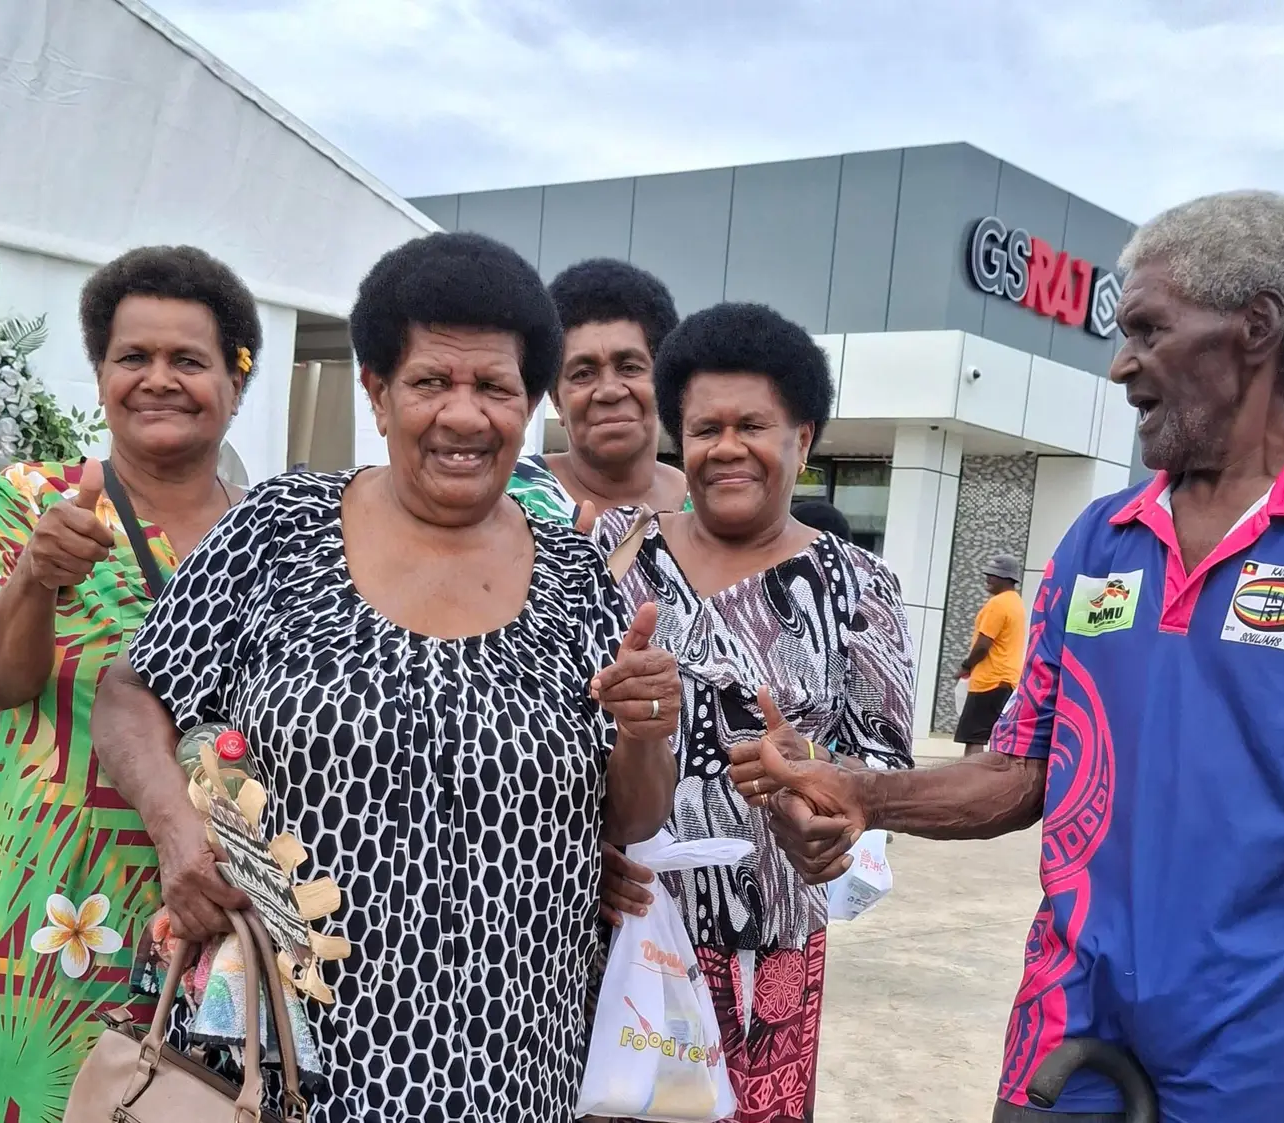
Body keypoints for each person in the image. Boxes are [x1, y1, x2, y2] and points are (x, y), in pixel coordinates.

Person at [743, 192, 1284, 1123]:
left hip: (1270, 1053)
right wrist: (861, 790)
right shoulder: (1102, 538)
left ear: (1255, 326)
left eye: (1147, 328)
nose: (1121, 363)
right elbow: (1022, 774)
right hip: (1070, 1022)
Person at [91, 231, 679, 1123]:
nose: (464, 415)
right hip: (290, 1056)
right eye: (431, 382)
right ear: (376, 390)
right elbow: (131, 693)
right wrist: (178, 835)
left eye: (495, 387)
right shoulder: (282, 527)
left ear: (529, 404)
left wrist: (644, 728)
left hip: (515, 1061)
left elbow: (630, 815)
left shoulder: (572, 574)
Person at [0, 246, 263, 1122]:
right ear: (101, 375)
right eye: (133, 357)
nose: (159, 379)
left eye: (189, 359)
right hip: (26, 897)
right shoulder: (35, 496)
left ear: (235, 382)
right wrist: (34, 577)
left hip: (191, 905)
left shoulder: (270, 535)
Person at [591, 302, 916, 1123]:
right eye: (705, 428)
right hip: (615, 939)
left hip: (769, 953)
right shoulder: (611, 556)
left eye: (753, 426)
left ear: (802, 439)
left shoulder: (857, 585)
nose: (726, 447)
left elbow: (884, 767)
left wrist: (821, 785)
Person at [508, 257, 689, 520]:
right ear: (556, 400)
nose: (609, 391)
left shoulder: (706, 508)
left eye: (629, 367)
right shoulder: (509, 499)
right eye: (583, 373)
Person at [954, 554, 1026, 755]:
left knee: (974, 737)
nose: (988, 578)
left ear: (1007, 578)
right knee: (993, 736)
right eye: (988, 573)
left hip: (990, 680)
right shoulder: (1016, 603)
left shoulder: (998, 604)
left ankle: (971, 783)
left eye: (994, 575)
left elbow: (983, 645)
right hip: (1006, 678)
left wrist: (966, 666)